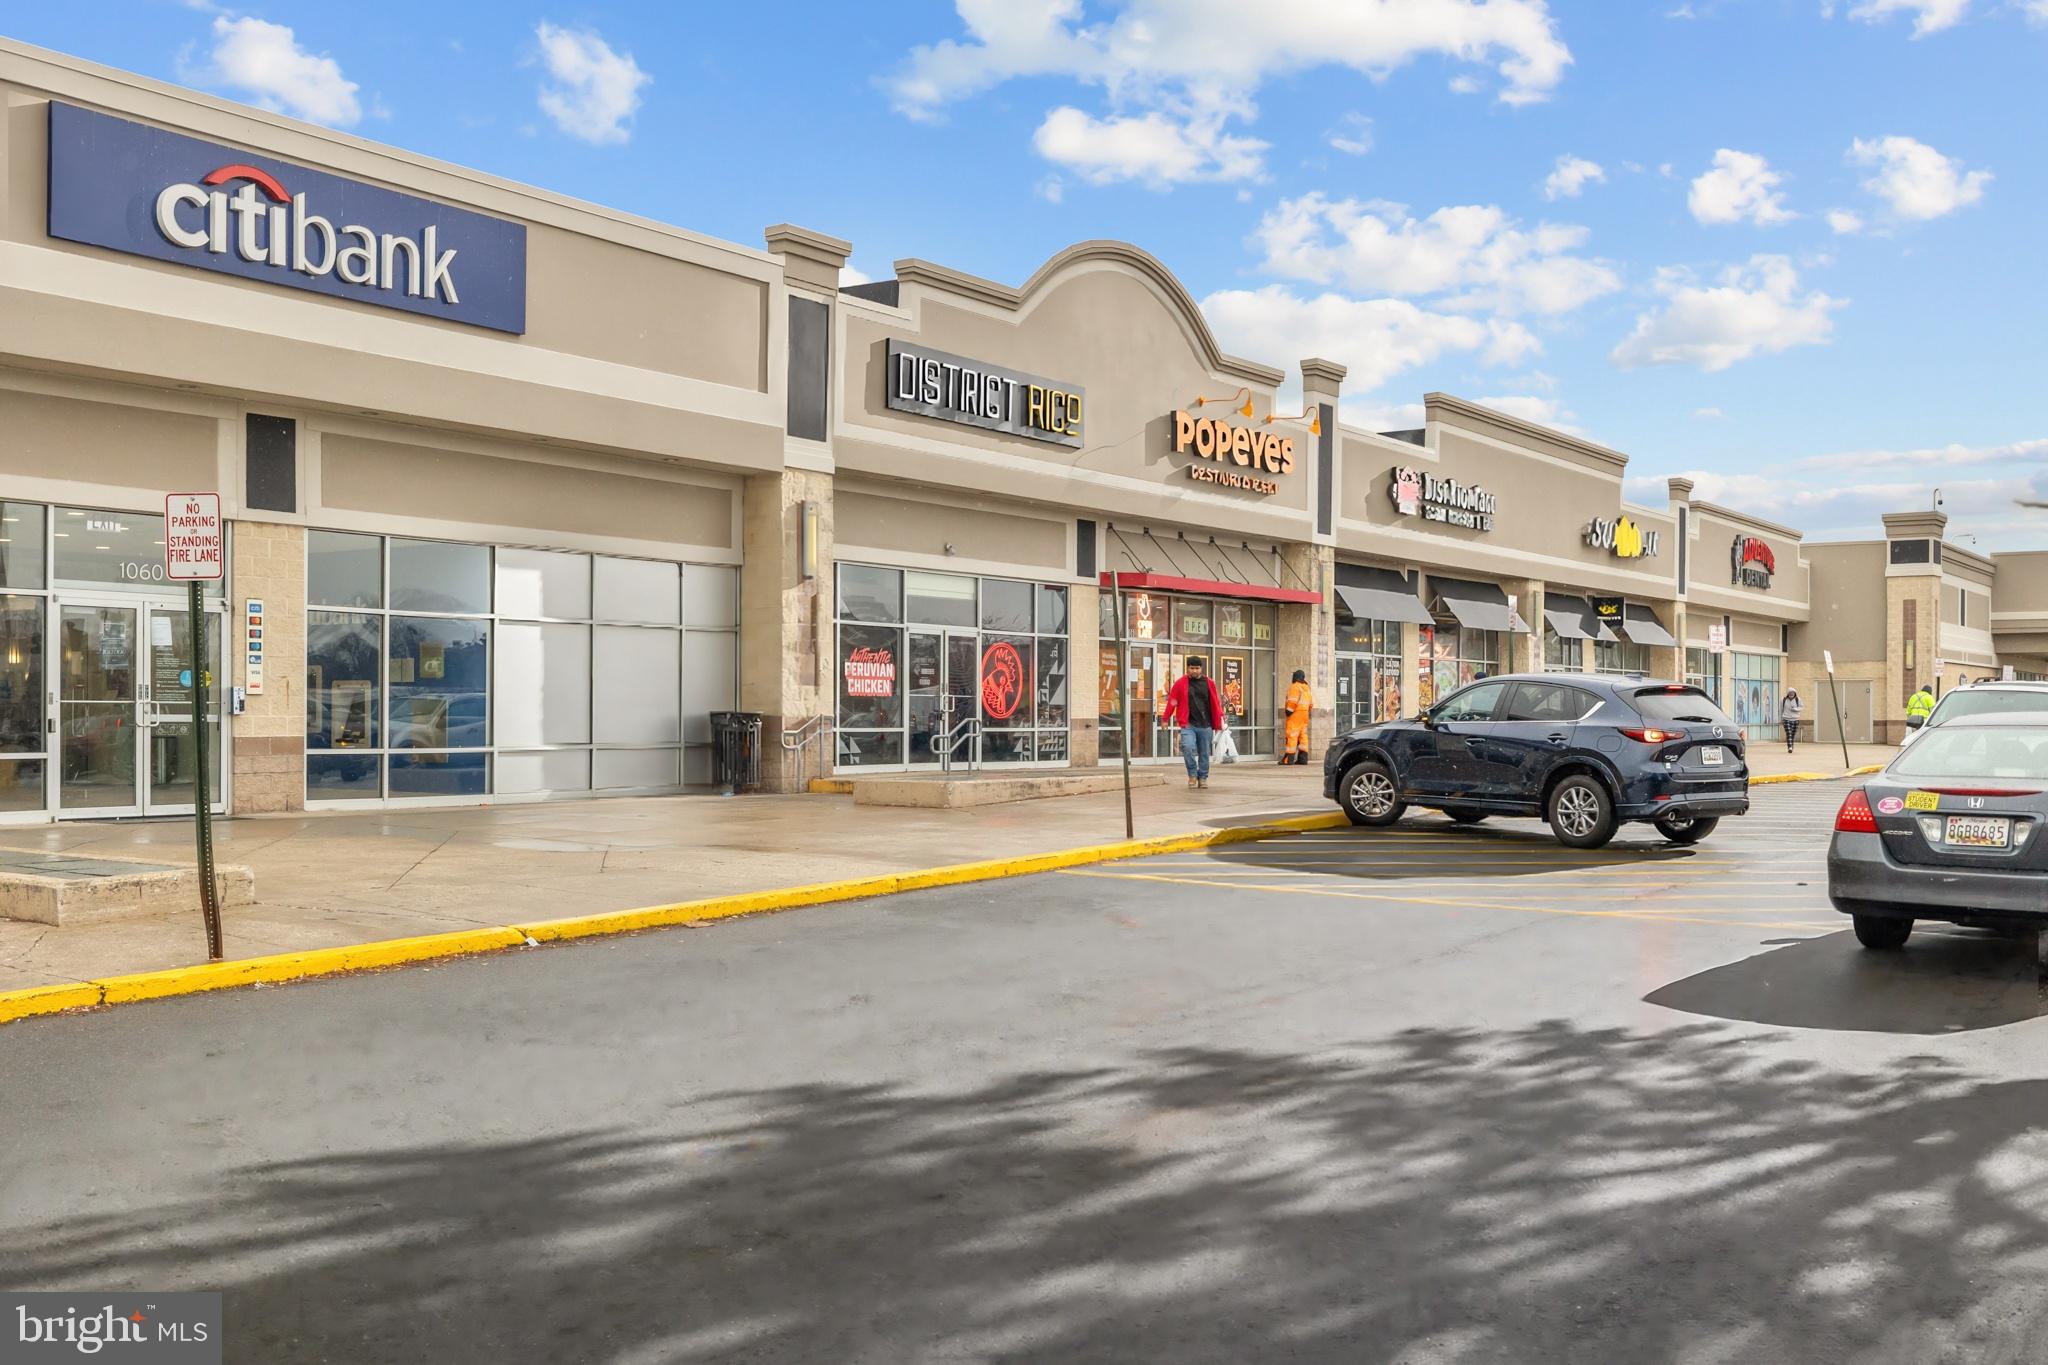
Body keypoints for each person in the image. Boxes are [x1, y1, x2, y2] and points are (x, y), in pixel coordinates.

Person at [1163, 656, 1225, 789]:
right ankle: (1192, 774)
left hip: (1206, 724)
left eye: (1197, 668)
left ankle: (1202, 777)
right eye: (1192, 668)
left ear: (1201, 668)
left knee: (1204, 752)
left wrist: (1220, 718)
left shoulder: (1209, 683)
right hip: (1188, 724)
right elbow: (1172, 701)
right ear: (1187, 668)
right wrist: (1165, 719)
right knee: (1188, 748)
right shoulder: (1180, 683)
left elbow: (1215, 702)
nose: (1194, 671)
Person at [1283, 668, 1314, 765]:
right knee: (1303, 736)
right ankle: (1303, 759)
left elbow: (1292, 701)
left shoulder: (1294, 687)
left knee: (1292, 735)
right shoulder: (1307, 688)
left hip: (1295, 714)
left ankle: (1289, 759)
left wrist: (1288, 711)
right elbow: (1311, 704)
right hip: (1305, 714)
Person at [1779, 687, 1804, 753]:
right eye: (1790, 693)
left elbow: (1801, 707)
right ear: (1788, 693)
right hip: (1786, 719)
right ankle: (1789, 747)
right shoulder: (1783, 700)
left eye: (1793, 693)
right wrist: (1780, 719)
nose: (1791, 694)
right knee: (1789, 733)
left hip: (1795, 719)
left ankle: (1791, 745)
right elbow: (1781, 710)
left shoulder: (1798, 699)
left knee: (1792, 734)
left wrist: (1795, 709)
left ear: (1795, 693)